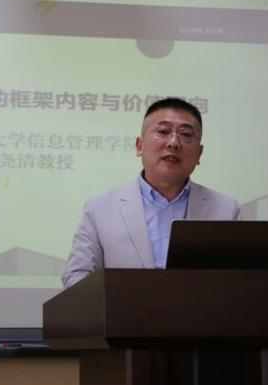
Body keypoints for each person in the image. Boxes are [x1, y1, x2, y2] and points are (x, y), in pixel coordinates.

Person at [61, 97, 240, 288]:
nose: (174, 143)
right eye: (163, 132)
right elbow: (76, 276)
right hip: (125, 308)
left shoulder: (226, 211)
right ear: (140, 146)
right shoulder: (100, 208)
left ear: (199, 154)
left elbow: (240, 281)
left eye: (186, 134)